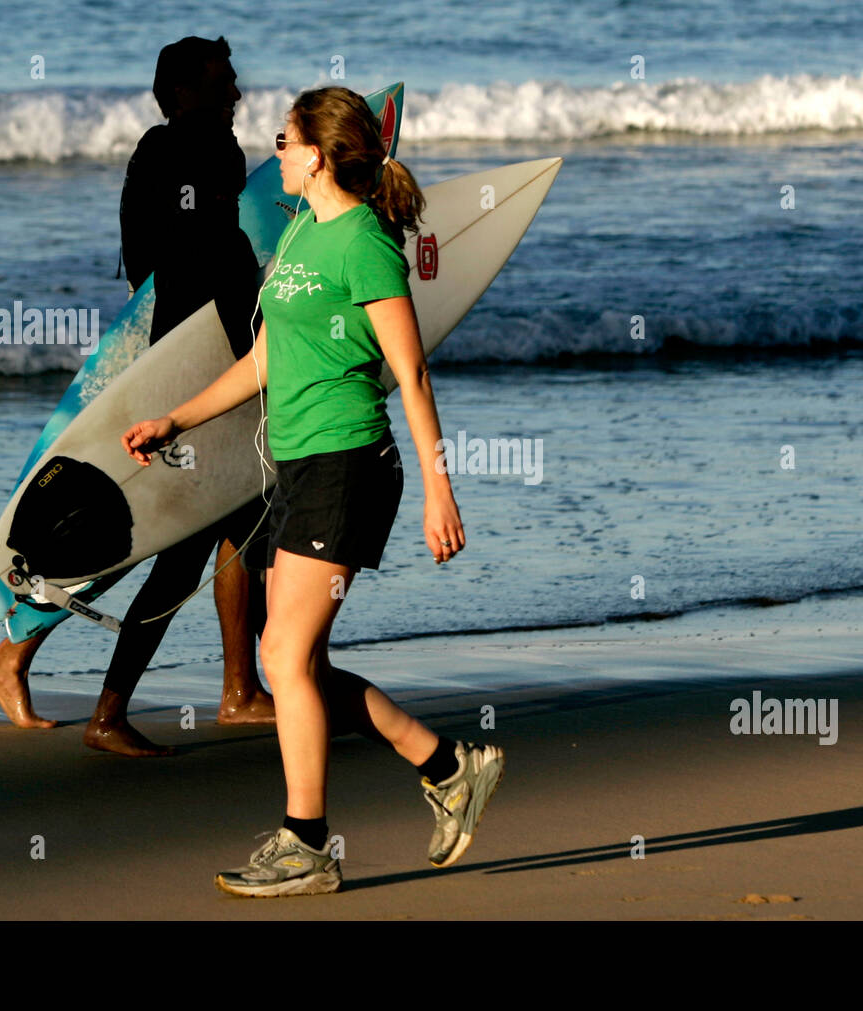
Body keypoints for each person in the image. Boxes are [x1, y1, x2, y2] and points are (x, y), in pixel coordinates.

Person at [121, 86, 504, 893]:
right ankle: (447, 768)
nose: (277, 152)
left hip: (348, 466)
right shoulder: (300, 232)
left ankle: (307, 843)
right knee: (304, 665)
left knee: (282, 656)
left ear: (318, 156)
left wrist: (442, 491)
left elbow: (413, 372)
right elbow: (265, 360)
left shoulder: (364, 244)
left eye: (286, 141)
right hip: (297, 467)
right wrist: (175, 420)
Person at [0, 36, 277, 753]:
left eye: (232, 80)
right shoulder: (202, 150)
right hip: (202, 369)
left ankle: (241, 689)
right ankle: (105, 710)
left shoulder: (156, 153)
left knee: (239, 519)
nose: (234, 93)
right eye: (219, 82)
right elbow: (211, 259)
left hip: (178, 357)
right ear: (180, 94)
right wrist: (253, 342)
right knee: (174, 538)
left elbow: (145, 268)